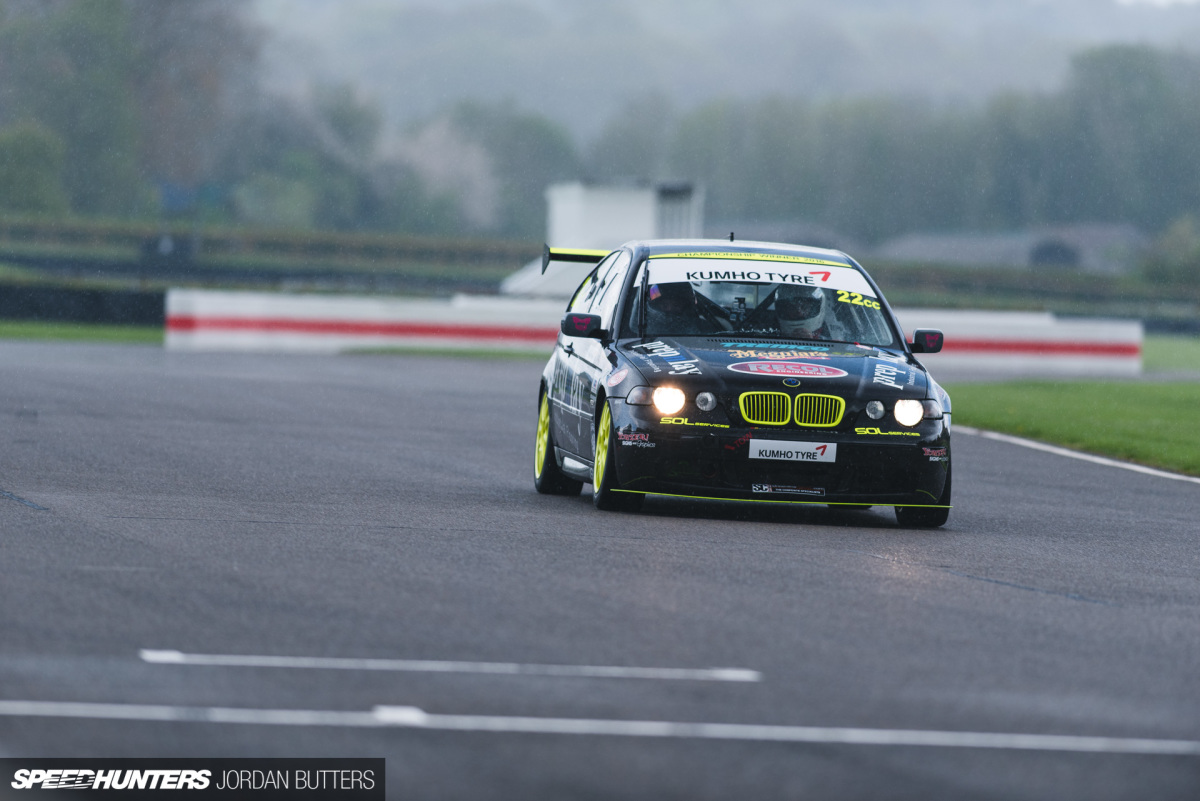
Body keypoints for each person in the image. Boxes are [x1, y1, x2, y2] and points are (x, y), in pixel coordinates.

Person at [645, 282, 722, 335]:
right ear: (656, 305)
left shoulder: (704, 329)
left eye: (675, 305)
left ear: (685, 305)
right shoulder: (646, 329)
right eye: (664, 305)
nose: (669, 309)